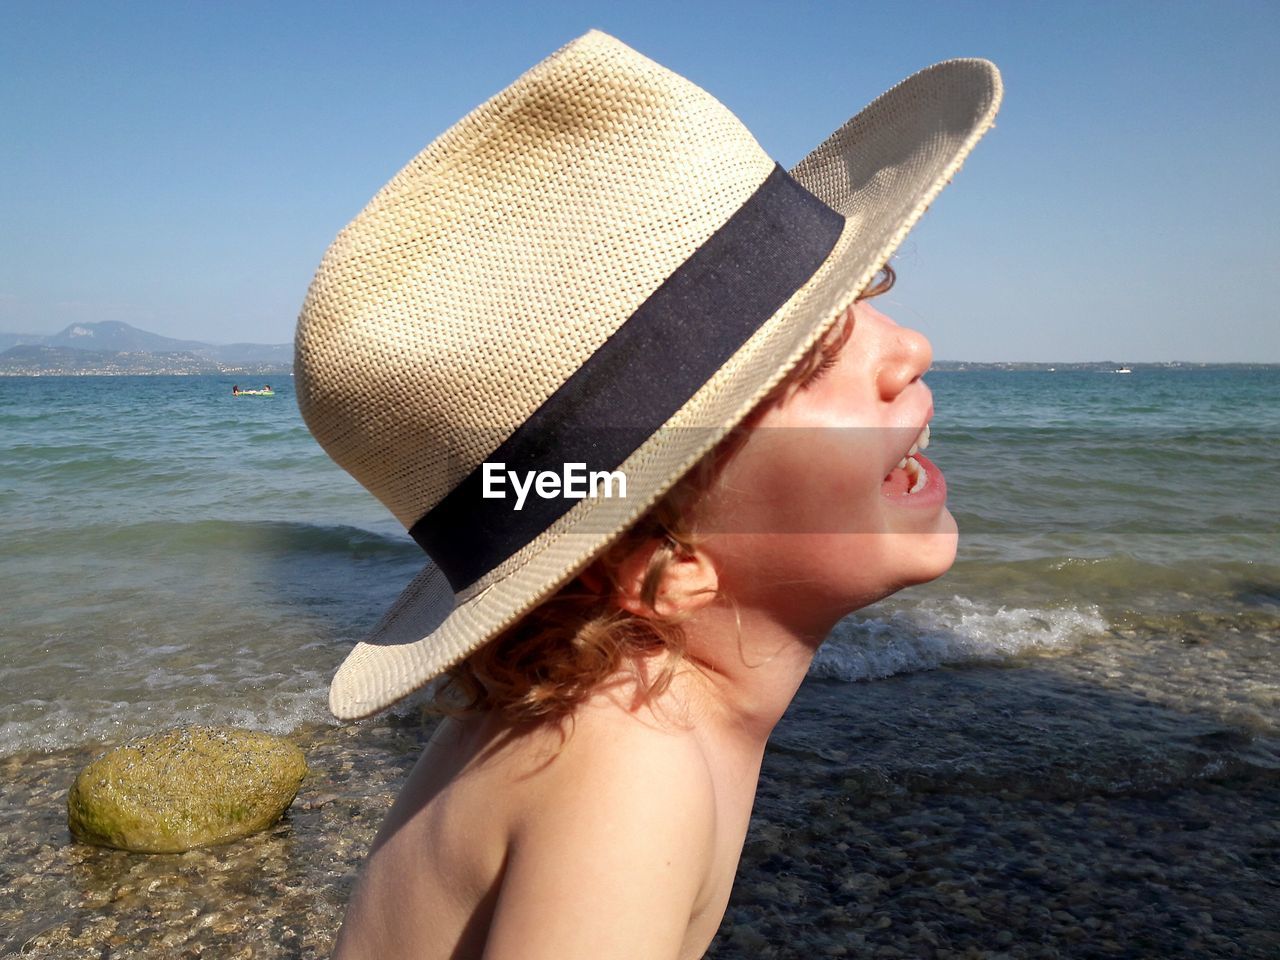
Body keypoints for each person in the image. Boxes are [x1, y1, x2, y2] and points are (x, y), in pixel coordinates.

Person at [295, 31, 1000, 960]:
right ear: (669, 567)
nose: (908, 346)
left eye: (865, 290)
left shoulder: (608, 718)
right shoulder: (632, 768)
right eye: (816, 354)